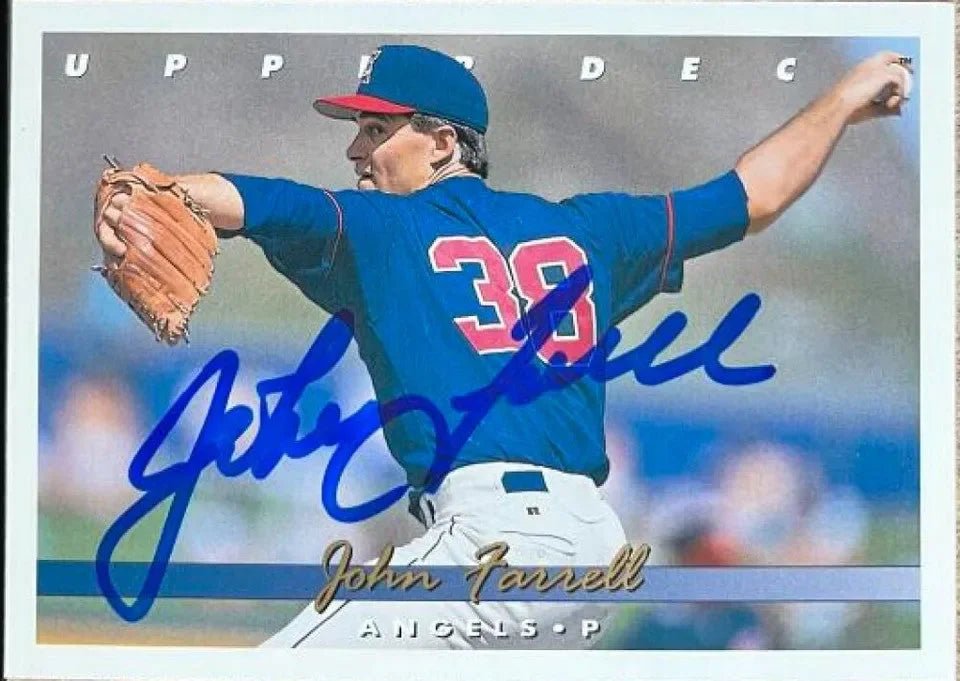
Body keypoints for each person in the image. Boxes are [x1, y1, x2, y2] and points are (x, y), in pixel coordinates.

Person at [93, 44, 912, 649]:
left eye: (375, 128)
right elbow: (754, 194)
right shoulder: (594, 229)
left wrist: (150, 192)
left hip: (493, 544)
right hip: (593, 554)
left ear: (443, 143)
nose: (355, 150)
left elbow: (256, 201)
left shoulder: (382, 229)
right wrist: (842, 101)